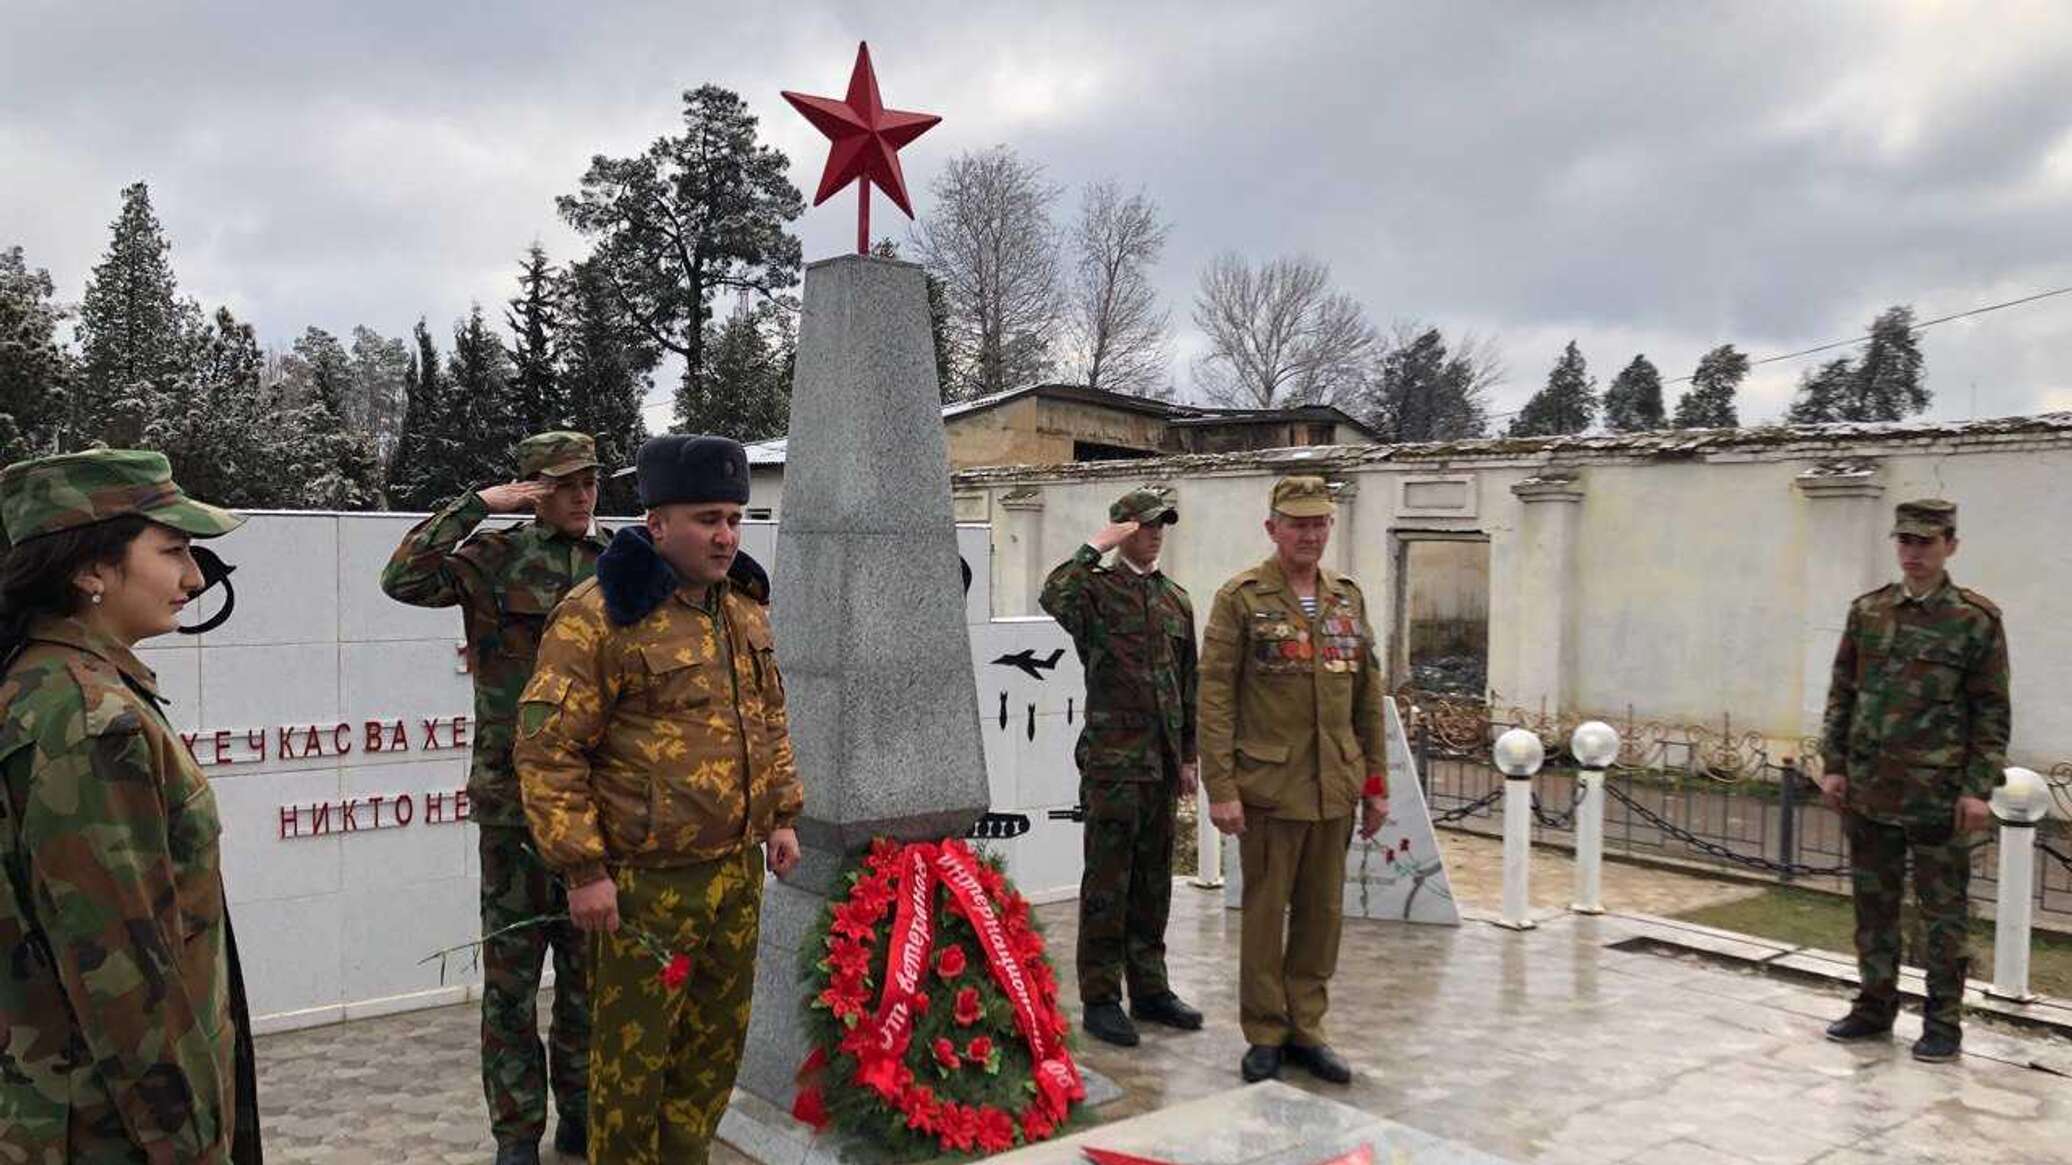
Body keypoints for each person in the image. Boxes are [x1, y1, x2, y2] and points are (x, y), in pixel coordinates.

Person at [515, 434, 803, 1165]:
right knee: (632, 1068)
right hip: (646, 883)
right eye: (708, 518)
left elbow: (767, 716)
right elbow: (549, 750)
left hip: (735, 873)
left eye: (734, 517)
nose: (727, 535)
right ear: (657, 525)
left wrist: (782, 814)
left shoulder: (740, 606)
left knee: (712, 1053)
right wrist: (584, 869)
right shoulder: (600, 614)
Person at [0, 448, 262, 1163]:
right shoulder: (87, 719)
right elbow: (124, 974)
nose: (194, 576)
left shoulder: (46, 688)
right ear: (89, 568)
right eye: (172, 549)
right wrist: (190, 1143)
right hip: (114, 1131)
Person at [381, 431, 609, 1165]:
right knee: (512, 983)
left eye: (591, 481)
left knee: (587, 982)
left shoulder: (618, 569)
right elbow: (402, 577)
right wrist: (478, 506)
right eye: (568, 482)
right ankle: (516, 1136)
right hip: (512, 808)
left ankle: (579, 1116)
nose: (585, 494)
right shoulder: (493, 557)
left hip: (595, 803)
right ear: (534, 487)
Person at [1199, 475, 1388, 1086]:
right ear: (1272, 527)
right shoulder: (1241, 598)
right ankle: (1265, 1031)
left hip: (1334, 783)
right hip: (1270, 787)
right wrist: (1221, 787)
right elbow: (1216, 698)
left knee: (1322, 912)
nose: (1309, 534)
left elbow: (1367, 695)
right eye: (1297, 523)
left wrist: (1376, 782)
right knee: (1264, 911)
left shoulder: (1348, 599)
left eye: (1319, 523)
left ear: (1330, 526)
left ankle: (1308, 1027)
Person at [1818, 498, 2010, 1063]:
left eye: (1925, 542)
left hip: (1939, 796)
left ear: (1951, 544)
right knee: (1873, 908)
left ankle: (1943, 1022)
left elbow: (1992, 712)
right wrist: (1833, 765)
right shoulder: (1869, 612)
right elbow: (1842, 694)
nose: (1913, 553)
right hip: (1871, 788)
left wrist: (1978, 788)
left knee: (1942, 914)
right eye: (1905, 541)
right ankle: (1874, 1008)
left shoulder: (1975, 620)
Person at [1038, 486, 1203, 1048]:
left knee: (1154, 883)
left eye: (1162, 526)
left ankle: (1151, 987)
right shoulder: (1096, 593)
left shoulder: (1175, 600)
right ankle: (1102, 997)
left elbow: (1189, 685)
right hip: (1113, 765)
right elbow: (1052, 593)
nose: (1157, 534)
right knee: (1108, 883)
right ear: (1125, 529)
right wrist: (1095, 546)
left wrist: (1189, 757)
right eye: (1147, 525)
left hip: (1160, 766)